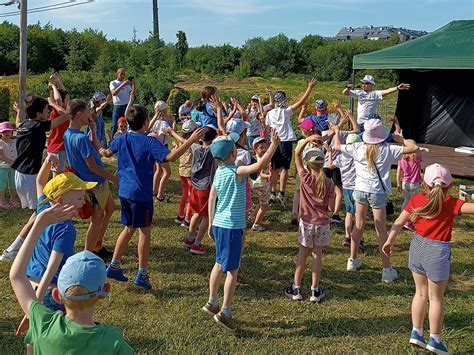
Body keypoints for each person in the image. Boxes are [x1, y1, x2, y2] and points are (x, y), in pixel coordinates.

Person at [100, 105, 205, 289]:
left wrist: (95, 139)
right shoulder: (149, 142)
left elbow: (106, 152)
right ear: (147, 122)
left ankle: (115, 265)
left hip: (124, 192)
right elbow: (170, 157)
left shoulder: (122, 138)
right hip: (141, 195)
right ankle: (142, 274)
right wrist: (191, 141)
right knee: (144, 232)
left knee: (129, 227)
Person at [10, 206, 133, 353]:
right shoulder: (112, 340)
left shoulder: (42, 322)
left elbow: (16, 275)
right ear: (105, 291)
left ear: (56, 295)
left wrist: (38, 224)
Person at [382, 163, 474, 354]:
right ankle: (435, 339)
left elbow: (399, 222)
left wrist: (389, 241)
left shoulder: (416, 200)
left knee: (420, 293)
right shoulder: (451, 203)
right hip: (437, 251)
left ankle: (416, 332)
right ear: (449, 186)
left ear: (424, 184)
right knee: (436, 298)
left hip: (417, 246)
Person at [202, 129, 280, 331]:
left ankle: (212, 302)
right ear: (233, 154)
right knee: (232, 271)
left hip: (218, 223)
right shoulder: (236, 171)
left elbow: (212, 198)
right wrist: (274, 144)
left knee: (219, 263)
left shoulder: (218, 172)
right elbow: (261, 165)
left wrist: (210, 222)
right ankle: (225, 312)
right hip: (232, 227)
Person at [14, 158, 97, 343]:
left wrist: (47, 163)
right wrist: (36, 303)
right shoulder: (66, 229)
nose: (83, 202)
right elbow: (53, 266)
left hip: (29, 285)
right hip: (49, 292)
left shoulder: (44, 208)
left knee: (36, 337)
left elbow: (39, 182)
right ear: (60, 200)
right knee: (53, 339)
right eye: (78, 197)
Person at [330, 119, 419, 282]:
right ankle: (386, 269)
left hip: (360, 190)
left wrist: (336, 132)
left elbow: (335, 147)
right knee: (381, 230)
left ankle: (352, 260)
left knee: (359, 225)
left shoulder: (357, 147)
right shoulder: (387, 149)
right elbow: (414, 148)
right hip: (377, 193)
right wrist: (401, 140)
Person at [63, 99, 117, 254]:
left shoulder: (69, 133)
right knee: (97, 218)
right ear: (80, 114)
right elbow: (92, 166)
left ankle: (97, 243)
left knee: (111, 207)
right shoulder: (79, 138)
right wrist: (113, 178)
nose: (91, 114)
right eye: (88, 112)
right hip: (93, 184)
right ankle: (89, 252)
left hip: (96, 181)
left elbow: (93, 147)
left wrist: (92, 129)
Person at [285, 141, 334, 303]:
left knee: (302, 255)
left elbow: (297, 154)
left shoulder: (305, 178)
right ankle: (315, 290)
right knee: (317, 256)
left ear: (308, 164)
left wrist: (307, 139)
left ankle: (296, 288)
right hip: (322, 223)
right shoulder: (329, 183)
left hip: (306, 222)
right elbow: (332, 207)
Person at [265, 78, 317, 206]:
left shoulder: (269, 113)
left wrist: (268, 142)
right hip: (286, 140)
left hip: (274, 141)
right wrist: (309, 88)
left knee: (274, 168)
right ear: (284, 100)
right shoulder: (286, 111)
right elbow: (301, 102)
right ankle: (281, 194)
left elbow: (267, 129)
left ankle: (272, 192)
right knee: (284, 168)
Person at [12, 96, 69, 210]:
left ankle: (41, 223)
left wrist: (18, 111)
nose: (48, 111)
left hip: (20, 173)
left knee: (39, 208)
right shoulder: (38, 126)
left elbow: (17, 123)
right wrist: (53, 104)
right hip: (30, 175)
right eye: (46, 109)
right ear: (38, 114)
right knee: (39, 208)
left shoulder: (24, 125)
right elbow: (66, 116)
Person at [182, 125, 218, 255]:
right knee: (207, 216)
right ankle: (196, 244)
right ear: (214, 137)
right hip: (207, 188)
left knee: (196, 213)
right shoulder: (213, 150)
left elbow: (185, 142)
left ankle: (189, 238)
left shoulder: (195, 147)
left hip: (195, 187)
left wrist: (171, 132)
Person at [327, 133, 365, 249]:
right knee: (359, 215)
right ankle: (359, 238)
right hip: (359, 187)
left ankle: (348, 236)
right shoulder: (359, 156)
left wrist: (329, 153)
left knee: (349, 213)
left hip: (347, 187)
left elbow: (330, 166)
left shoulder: (341, 157)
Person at [342, 74, 410, 130]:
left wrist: (397, 87)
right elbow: (344, 93)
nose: (363, 84)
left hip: (369, 123)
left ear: (372, 85)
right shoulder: (359, 92)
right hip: (359, 123)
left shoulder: (375, 93)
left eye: (366, 83)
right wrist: (347, 87)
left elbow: (387, 91)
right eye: (362, 83)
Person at [291, 117, 322, 224]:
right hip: (313, 172)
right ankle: (308, 213)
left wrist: (295, 171)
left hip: (301, 172)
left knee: (298, 192)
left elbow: (297, 157)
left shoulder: (301, 142)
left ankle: (294, 213)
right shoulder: (317, 142)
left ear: (304, 130)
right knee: (310, 194)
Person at [172, 120, 201, 227]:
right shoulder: (194, 142)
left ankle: (180, 215)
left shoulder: (180, 140)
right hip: (189, 172)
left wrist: (173, 133)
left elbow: (179, 143)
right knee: (190, 196)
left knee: (185, 194)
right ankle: (187, 219)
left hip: (182, 171)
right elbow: (187, 143)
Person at [149, 100, 175, 202]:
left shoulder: (153, 121)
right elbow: (172, 133)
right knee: (167, 172)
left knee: (158, 170)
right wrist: (173, 121)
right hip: (161, 148)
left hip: (154, 148)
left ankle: (154, 190)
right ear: (164, 110)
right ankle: (160, 194)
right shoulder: (164, 123)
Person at [47, 74, 70, 175]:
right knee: (57, 176)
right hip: (57, 148)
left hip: (62, 147)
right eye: (67, 100)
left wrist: (58, 81)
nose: (69, 102)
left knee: (63, 174)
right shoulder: (57, 111)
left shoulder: (64, 109)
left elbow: (64, 94)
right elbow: (58, 99)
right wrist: (53, 87)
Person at [397, 140, 423, 231]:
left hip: (405, 183)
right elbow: (418, 150)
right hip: (414, 184)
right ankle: (410, 223)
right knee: (414, 204)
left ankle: (402, 220)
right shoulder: (416, 159)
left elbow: (399, 172)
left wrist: (398, 183)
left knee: (406, 201)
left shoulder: (401, 158)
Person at [250, 137, 271, 231]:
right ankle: (256, 225)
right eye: (261, 147)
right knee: (264, 206)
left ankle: (253, 215)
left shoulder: (257, 158)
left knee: (261, 202)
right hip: (261, 185)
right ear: (255, 149)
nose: (264, 149)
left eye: (266, 147)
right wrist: (270, 176)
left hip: (255, 184)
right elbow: (262, 174)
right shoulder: (261, 161)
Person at [0, 121, 20, 208]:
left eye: (8, 131)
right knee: (2, 184)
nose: (7, 133)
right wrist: (11, 162)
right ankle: (2, 201)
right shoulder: (0, 142)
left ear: (12, 131)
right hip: (3, 167)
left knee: (13, 184)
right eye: (4, 131)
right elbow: (0, 155)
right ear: (0, 133)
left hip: (14, 167)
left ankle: (13, 199)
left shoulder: (15, 141)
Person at [109, 68, 133, 137]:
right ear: (117, 74)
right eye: (121, 74)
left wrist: (133, 84)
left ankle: (127, 138)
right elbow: (113, 93)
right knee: (114, 125)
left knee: (128, 124)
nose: (122, 76)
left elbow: (131, 94)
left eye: (124, 74)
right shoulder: (113, 83)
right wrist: (123, 84)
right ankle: (112, 141)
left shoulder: (127, 84)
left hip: (126, 106)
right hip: (117, 106)